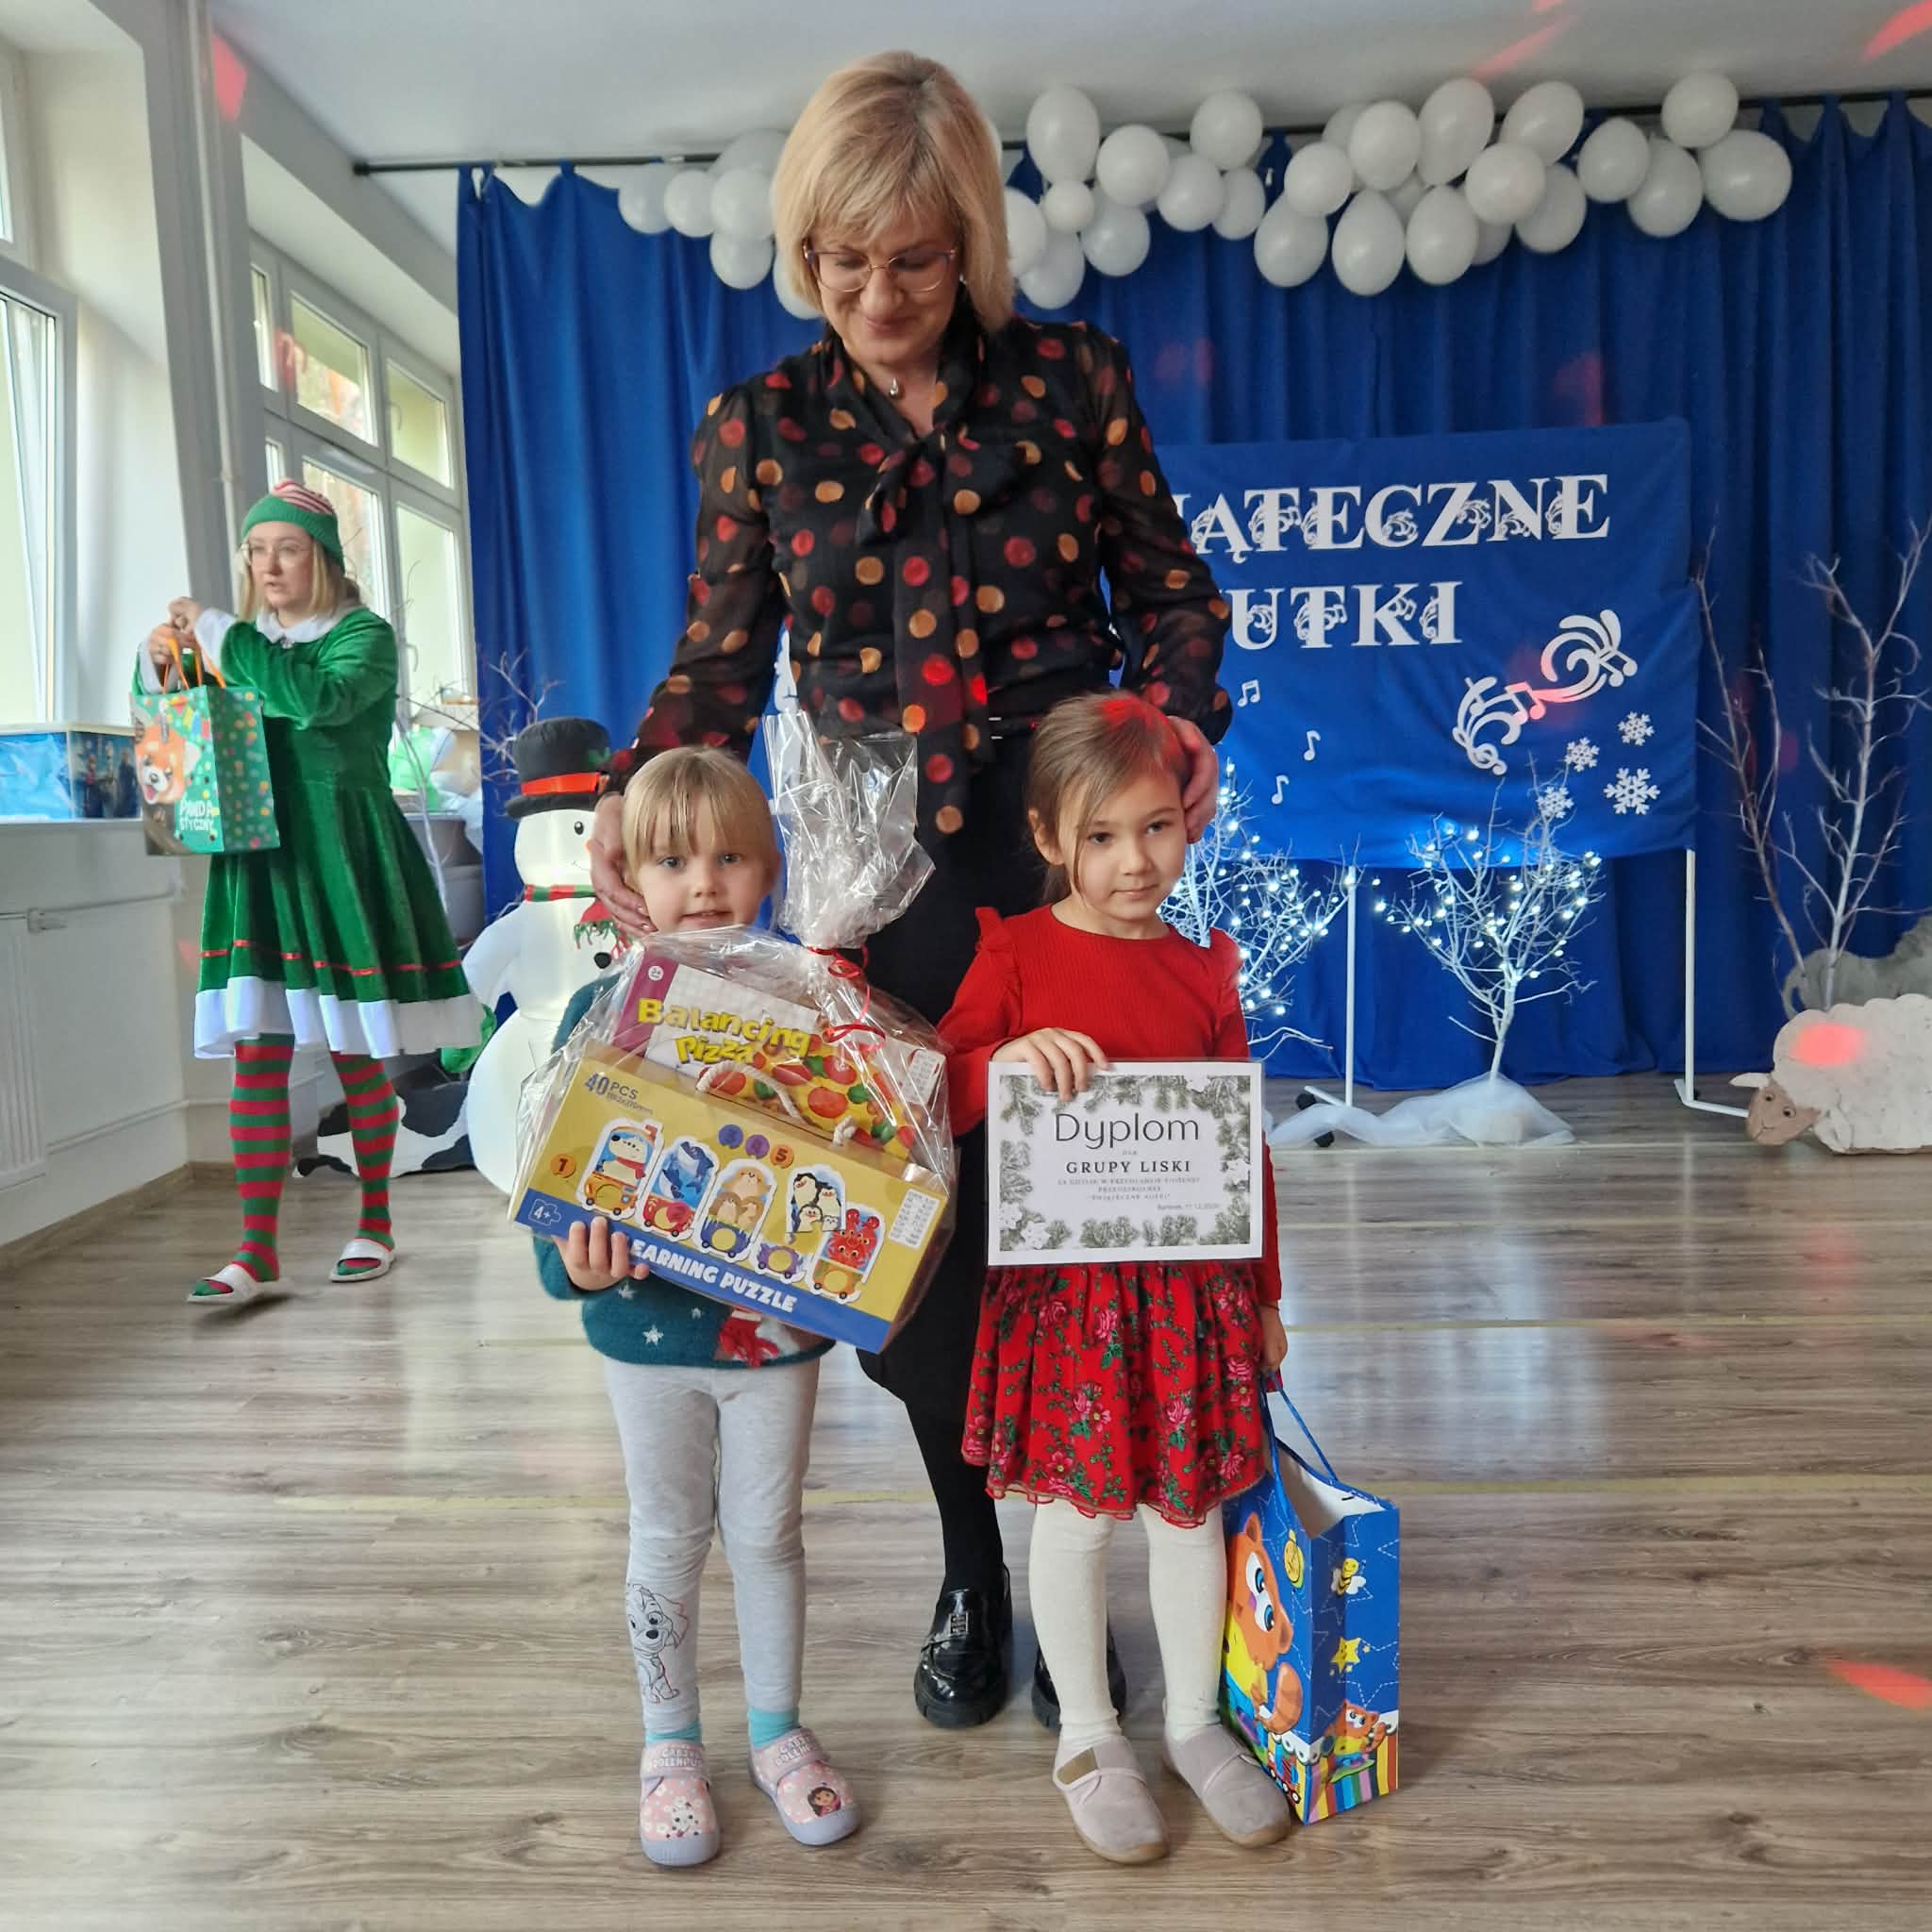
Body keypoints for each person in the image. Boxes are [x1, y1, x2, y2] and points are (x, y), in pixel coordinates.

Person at [587, 50, 1235, 1730]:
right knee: (919, 1261)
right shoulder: (759, 427)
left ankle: (1094, 1584)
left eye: (915, 261)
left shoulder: (1072, 382)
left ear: (971, 248)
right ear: (803, 252)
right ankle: (975, 1565)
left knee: (1090, 1245)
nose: (876, 296)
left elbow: (1173, 594)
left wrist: (1172, 723)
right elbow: (720, 663)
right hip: (881, 896)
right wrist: (639, 798)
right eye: (840, 261)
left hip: (1072, 871)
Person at [939, 692, 1290, 1864]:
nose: (1133, 860)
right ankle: (1087, 1735)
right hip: (1068, 1299)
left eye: (1154, 828)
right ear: (1048, 836)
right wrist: (1004, 1056)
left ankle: (1192, 1722)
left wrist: (1265, 1292)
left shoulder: (1202, 968)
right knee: (1078, 1515)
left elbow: (1242, 1147)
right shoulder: (1013, 952)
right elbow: (937, 1088)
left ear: (1187, 823)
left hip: (1189, 1294)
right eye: (1099, 835)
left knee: (1186, 1509)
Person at [539, 746, 858, 1869]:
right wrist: (574, 1271)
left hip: (775, 1335)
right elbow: (554, 1180)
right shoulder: (600, 1011)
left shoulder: (807, 1007)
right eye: (673, 861)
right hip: (645, 1335)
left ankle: (775, 1729)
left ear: (769, 867)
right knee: (666, 1534)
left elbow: (853, 1167)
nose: (704, 882)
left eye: (729, 856)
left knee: (768, 1533)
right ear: (630, 873)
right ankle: (668, 1743)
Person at [144, 481, 477, 1306]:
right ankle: (255, 1250)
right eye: (257, 551)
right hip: (259, 862)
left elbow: (313, 699)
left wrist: (217, 633)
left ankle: (376, 1225)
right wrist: (168, 665)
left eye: (287, 549)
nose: (269, 566)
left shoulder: (364, 635)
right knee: (258, 1053)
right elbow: (184, 740)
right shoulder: (241, 644)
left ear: (322, 558)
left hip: (340, 855)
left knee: (356, 1049)